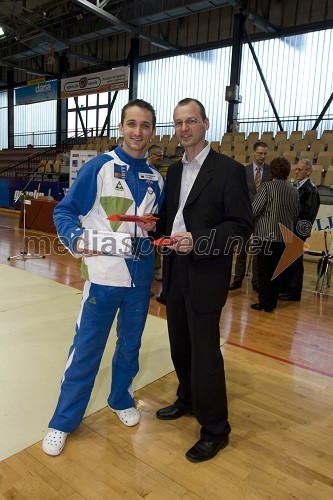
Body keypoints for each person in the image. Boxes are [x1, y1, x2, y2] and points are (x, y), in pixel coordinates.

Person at [42, 99, 165, 456]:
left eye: (144, 125)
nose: (137, 132)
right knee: (86, 351)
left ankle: (119, 397)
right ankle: (62, 421)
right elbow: (65, 210)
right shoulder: (100, 167)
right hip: (104, 277)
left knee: (130, 346)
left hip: (140, 281)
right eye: (131, 124)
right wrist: (77, 238)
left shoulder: (157, 178)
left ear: (152, 131)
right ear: (121, 128)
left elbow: (153, 229)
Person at [155, 98, 253, 462]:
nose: (184, 128)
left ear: (206, 124)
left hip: (206, 270)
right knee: (179, 344)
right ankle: (188, 399)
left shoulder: (229, 171)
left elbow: (241, 227)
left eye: (191, 120)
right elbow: (172, 217)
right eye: (178, 122)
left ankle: (216, 429)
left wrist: (200, 239)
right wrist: (153, 226)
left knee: (205, 353)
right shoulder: (174, 170)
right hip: (175, 268)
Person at [251, 156, 299, 313]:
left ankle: (265, 303)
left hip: (266, 234)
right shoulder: (293, 190)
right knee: (277, 271)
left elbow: (255, 209)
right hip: (285, 236)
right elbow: (295, 213)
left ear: (272, 171)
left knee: (265, 270)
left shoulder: (266, 187)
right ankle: (272, 302)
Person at [229, 141, 272, 292]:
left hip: (263, 216)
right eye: (260, 153)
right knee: (242, 248)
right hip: (245, 215)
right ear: (253, 153)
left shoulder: (270, 171)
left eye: (265, 153)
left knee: (258, 250)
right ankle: (238, 279)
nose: (262, 156)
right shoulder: (244, 170)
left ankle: (256, 280)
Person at [279, 159, 320, 301]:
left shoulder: (311, 189)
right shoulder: (299, 186)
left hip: (299, 229)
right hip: (293, 228)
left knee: (295, 262)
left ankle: (294, 292)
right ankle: (286, 289)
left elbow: (308, 212)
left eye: (300, 169)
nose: (296, 172)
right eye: (296, 169)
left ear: (308, 172)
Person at [147, 144, 164, 284]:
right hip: (145, 219)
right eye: (159, 156)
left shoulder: (158, 174)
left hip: (154, 218)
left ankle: (155, 271)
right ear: (151, 155)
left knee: (155, 247)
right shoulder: (147, 172)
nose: (161, 158)